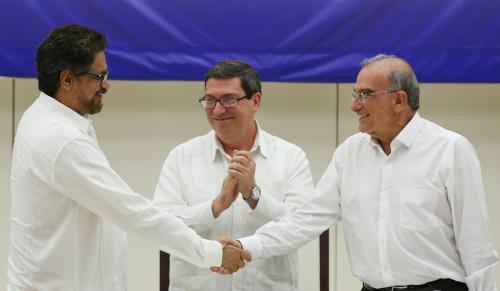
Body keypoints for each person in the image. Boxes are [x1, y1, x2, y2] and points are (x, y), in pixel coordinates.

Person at [7, 24, 249, 291]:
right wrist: (212, 253)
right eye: (98, 76)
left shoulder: (46, 117)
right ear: (66, 80)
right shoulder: (63, 140)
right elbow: (133, 212)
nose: (107, 85)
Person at [234, 54, 498, 290]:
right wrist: (245, 247)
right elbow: (304, 221)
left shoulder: (450, 150)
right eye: (354, 94)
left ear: (398, 99)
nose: (355, 106)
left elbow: (476, 246)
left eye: (366, 95)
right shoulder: (349, 154)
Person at [152, 60, 313, 291]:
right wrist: (215, 206)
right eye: (210, 100)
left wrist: (254, 196)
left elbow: (302, 227)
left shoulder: (290, 157)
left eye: (228, 99)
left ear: (255, 101)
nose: (217, 109)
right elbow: (161, 227)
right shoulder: (181, 157)